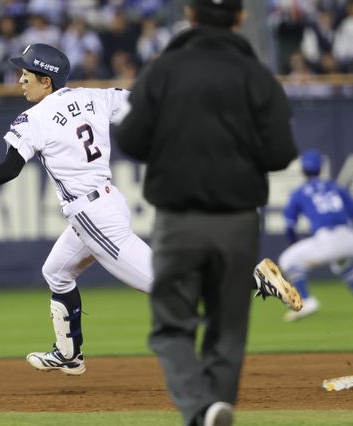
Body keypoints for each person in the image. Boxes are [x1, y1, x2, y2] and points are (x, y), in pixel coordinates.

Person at [113, 1, 298, 424]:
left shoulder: (163, 71)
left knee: (171, 326)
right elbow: (280, 152)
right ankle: (214, 408)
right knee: (227, 327)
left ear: (190, 14)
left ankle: (200, 409)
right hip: (238, 221)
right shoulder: (257, 75)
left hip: (178, 220)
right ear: (240, 17)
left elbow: (130, 140)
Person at [0, 43, 153, 375]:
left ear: (46, 81)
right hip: (106, 202)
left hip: (93, 216)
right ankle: (69, 354)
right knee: (57, 273)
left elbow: (9, 169)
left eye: (26, 74)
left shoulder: (34, 118)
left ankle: (234, 290)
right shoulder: (94, 96)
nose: (20, 80)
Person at [278, 148, 353, 322]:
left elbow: (289, 225)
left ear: (302, 171)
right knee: (341, 263)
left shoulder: (299, 192)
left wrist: (294, 243)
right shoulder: (335, 187)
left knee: (288, 259)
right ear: (320, 169)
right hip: (350, 238)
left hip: (327, 238)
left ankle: (306, 301)